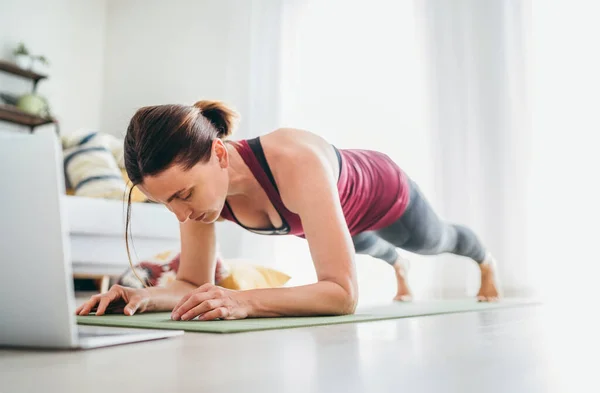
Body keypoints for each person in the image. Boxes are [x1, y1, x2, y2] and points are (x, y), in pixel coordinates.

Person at [76, 100, 500, 321]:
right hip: (337, 217)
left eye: (183, 195)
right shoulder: (203, 198)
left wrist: (244, 301)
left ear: (219, 154)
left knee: (435, 241)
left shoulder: (294, 160)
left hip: (382, 194)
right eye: (166, 203)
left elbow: (342, 294)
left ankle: (485, 260)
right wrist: (143, 296)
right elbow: (191, 281)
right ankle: (397, 268)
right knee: (364, 246)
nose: (181, 215)